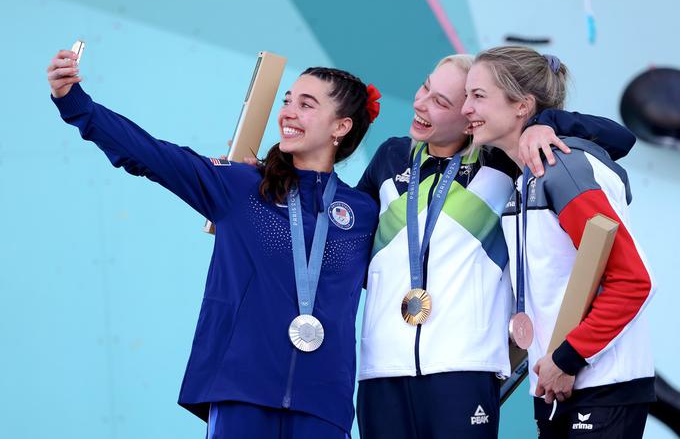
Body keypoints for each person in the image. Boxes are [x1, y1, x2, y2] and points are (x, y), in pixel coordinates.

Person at [47, 48, 380, 439]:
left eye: (306, 105)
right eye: (287, 101)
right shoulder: (240, 186)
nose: (288, 112)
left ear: (341, 127)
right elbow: (149, 154)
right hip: (241, 390)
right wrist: (75, 104)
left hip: (323, 403)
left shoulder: (363, 214)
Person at [355, 54, 637, 439]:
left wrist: (544, 123)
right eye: (425, 88)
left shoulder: (504, 161)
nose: (421, 104)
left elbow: (620, 139)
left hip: (466, 365)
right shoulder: (391, 157)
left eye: (443, 102)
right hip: (382, 366)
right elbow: (351, 241)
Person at [463, 46, 655, 438]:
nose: (466, 108)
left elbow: (633, 280)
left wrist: (568, 359)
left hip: (600, 385)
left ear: (522, 106)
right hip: (559, 385)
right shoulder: (524, 175)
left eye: (478, 96)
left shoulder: (561, 166)